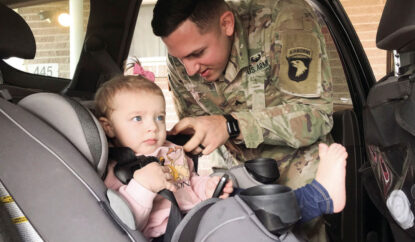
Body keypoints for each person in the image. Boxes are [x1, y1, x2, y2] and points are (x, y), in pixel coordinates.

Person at [151, 0, 333, 240]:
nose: (190, 70)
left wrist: (231, 124)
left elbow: (317, 114)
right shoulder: (184, 57)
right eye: (179, 58)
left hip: (296, 176)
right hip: (233, 178)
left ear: (226, 24)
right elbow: (196, 124)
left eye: (197, 53)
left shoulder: (284, 22)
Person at [94, 75, 346, 240]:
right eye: (138, 118)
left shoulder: (169, 152)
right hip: (173, 234)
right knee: (259, 213)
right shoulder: (115, 170)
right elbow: (123, 226)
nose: (153, 127)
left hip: (201, 213)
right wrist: (142, 188)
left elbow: (188, 185)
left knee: (258, 200)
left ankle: (321, 196)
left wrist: (208, 187)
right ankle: (319, 197)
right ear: (108, 127)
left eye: (159, 117)